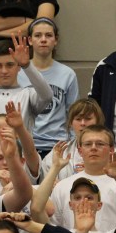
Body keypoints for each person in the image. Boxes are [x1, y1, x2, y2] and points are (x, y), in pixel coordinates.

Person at [18, 17, 79, 157]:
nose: (43, 39)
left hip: (58, 146)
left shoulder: (68, 74)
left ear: (56, 40)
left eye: (48, 35)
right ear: (29, 40)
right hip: (26, 145)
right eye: (38, 35)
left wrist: (72, 146)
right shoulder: (18, 73)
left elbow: (73, 114)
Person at [39, 97, 105, 181]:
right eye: (78, 119)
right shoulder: (59, 151)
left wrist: (97, 174)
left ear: (98, 121)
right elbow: (44, 180)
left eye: (88, 118)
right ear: (70, 123)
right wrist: (51, 184)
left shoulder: (110, 152)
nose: (83, 123)